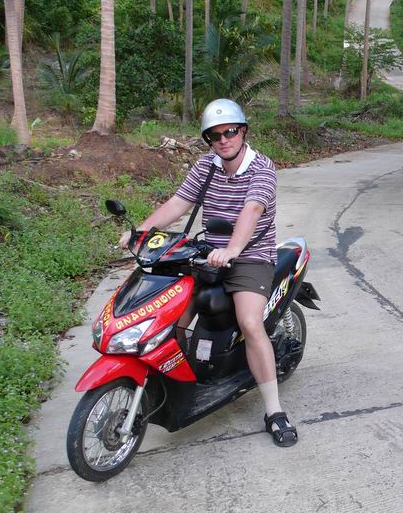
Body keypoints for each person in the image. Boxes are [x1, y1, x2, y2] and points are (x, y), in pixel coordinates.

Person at [119, 98, 297, 447]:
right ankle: (184, 382)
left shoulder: (262, 168)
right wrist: (140, 232)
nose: (223, 140)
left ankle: (274, 410)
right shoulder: (206, 166)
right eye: (214, 136)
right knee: (169, 318)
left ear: (243, 131)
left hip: (250, 257)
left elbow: (252, 210)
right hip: (206, 256)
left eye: (229, 132)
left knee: (250, 323)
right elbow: (178, 203)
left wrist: (232, 249)